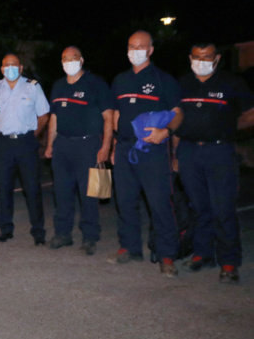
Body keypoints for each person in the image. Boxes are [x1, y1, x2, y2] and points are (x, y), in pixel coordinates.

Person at [173, 42, 254, 284]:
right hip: (189, 151)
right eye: (197, 56)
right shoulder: (183, 83)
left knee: (223, 208)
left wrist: (229, 128)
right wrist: (175, 154)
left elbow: (251, 113)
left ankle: (228, 261)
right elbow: (176, 120)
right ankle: (202, 254)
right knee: (198, 207)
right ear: (190, 57)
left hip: (220, 151)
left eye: (207, 56)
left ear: (217, 58)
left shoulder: (231, 82)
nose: (202, 60)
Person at [109, 31, 182, 277]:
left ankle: (167, 255)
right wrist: (113, 146)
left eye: (141, 46)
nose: (136, 50)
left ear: (151, 50)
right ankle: (129, 247)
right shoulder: (120, 80)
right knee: (126, 201)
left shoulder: (164, 80)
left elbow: (178, 113)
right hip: (125, 148)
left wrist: (166, 132)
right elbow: (116, 114)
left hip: (153, 149)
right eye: (131, 46)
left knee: (159, 202)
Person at [45, 46, 112, 255]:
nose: (68, 62)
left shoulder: (96, 84)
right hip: (62, 145)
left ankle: (90, 236)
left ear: (81, 60)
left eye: (73, 58)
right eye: (64, 58)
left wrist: (106, 147)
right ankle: (62, 233)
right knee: (62, 192)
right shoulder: (58, 86)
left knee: (90, 193)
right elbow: (54, 118)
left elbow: (109, 117)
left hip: (88, 145)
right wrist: (49, 145)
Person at [0, 53, 50, 245]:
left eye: (13, 65)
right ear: (1, 69)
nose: (9, 68)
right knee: (4, 189)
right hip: (3, 144)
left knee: (32, 188)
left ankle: (38, 231)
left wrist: (29, 135)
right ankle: (5, 230)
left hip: (26, 142)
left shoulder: (32, 87)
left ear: (20, 68)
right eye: (6, 65)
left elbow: (43, 116)